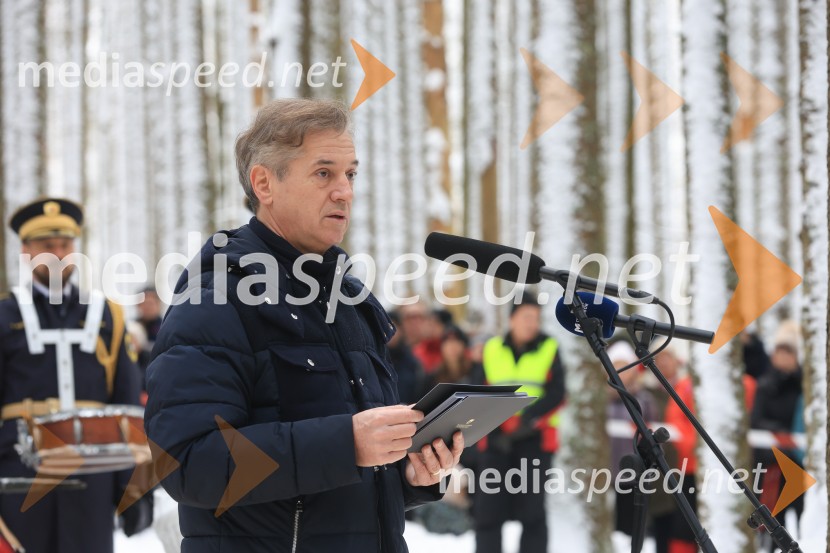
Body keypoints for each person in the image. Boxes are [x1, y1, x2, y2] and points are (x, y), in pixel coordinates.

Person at [144, 98, 464, 552]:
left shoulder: (349, 300)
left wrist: (410, 473)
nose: (345, 191)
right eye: (324, 173)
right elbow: (189, 463)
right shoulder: (216, 299)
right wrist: (346, 443)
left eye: (351, 174)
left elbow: (344, 482)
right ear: (264, 183)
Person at [0, 197, 151, 553]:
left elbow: (127, 404)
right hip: (18, 474)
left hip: (93, 477)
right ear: (26, 251)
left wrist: (135, 489)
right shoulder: (4, 316)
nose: (57, 254)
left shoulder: (107, 316)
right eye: (46, 246)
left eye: (65, 245)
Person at [473, 292, 566, 553]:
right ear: (512, 319)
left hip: (535, 440)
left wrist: (527, 418)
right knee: (488, 512)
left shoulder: (550, 347)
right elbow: (479, 390)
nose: (531, 323)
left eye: (536, 318)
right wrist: (498, 423)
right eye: (526, 317)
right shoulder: (491, 349)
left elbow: (558, 393)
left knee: (533, 513)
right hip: (495, 438)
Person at [751, 321, 804, 549]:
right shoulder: (765, 384)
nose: (783, 357)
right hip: (771, 464)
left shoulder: (804, 386)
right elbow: (756, 421)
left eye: (788, 352)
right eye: (779, 351)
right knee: (772, 522)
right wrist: (779, 437)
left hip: (799, 465)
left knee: (801, 521)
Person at [604, 341, 657, 538]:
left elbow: (653, 429)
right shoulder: (600, 398)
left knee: (629, 527)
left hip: (632, 472)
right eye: (615, 366)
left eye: (624, 367)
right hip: (604, 470)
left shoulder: (644, 399)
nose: (621, 372)